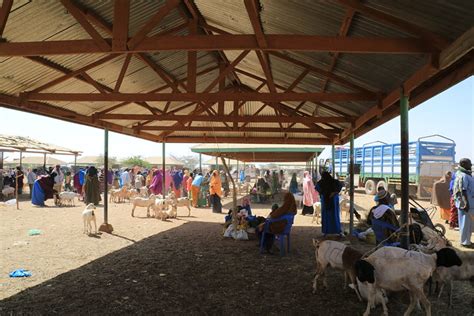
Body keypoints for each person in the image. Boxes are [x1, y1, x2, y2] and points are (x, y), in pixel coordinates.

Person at [453, 158, 473, 248]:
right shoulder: (462, 175)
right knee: (465, 223)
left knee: (468, 224)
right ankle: (465, 242)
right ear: (464, 164)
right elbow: (462, 190)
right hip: (466, 204)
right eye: (469, 164)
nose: (471, 165)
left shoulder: (467, 174)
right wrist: (466, 203)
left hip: (470, 203)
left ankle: (467, 241)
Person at [316, 171, 343, 236]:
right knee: (335, 216)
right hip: (333, 200)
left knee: (326, 216)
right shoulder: (335, 182)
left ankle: (326, 231)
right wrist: (333, 193)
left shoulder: (320, 183)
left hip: (325, 201)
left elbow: (317, 188)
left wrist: (324, 193)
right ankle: (337, 230)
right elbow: (340, 186)